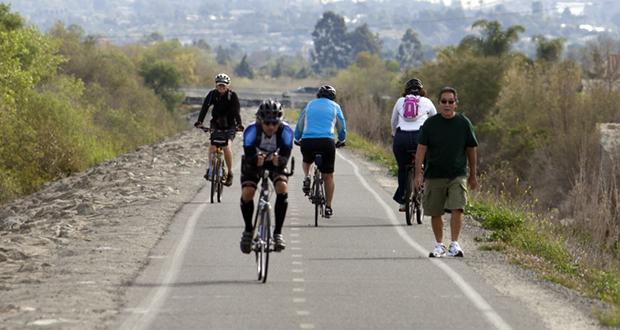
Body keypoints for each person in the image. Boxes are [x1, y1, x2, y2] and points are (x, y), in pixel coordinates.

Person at [415, 86, 478, 258]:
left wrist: (473, 174)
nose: (447, 105)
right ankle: (439, 244)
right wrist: (418, 174)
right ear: (439, 103)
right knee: (436, 211)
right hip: (434, 174)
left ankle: (455, 244)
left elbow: (471, 149)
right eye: (444, 101)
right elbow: (421, 149)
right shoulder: (430, 124)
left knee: (458, 207)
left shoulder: (464, 123)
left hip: (457, 174)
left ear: (456, 104)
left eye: (451, 101)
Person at [239, 99, 294, 254]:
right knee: (247, 193)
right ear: (260, 121)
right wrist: (256, 159)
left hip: (276, 163)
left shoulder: (286, 132)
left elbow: (286, 154)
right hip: (254, 162)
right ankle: (248, 230)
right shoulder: (251, 130)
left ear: (280, 122)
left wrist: (280, 160)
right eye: (267, 123)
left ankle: (277, 233)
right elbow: (248, 153)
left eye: (274, 123)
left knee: (282, 187)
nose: (271, 127)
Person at [294, 85, 346, 218]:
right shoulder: (335, 106)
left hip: (308, 141)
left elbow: (300, 123)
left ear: (318, 95)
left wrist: (297, 137)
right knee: (328, 176)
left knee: (307, 160)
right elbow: (341, 126)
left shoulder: (310, 105)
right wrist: (341, 139)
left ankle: (307, 177)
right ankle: (328, 207)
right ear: (333, 97)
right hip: (326, 142)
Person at [390, 78, 437, 211]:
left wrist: (394, 134)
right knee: (428, 163)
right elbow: (434, 120)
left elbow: (393, 121)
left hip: (401, 138)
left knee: (403, 169)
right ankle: (423, 187)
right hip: (420, 137)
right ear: (422, 91)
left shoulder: (400, 101)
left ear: (405, 91)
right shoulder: (427, 101)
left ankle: (403, 200)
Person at [194, 73, 243, 186]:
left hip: (230, 125)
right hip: (216, 124)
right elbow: (205, 108)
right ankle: (211, 169)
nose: (221, 87)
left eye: (223, 85)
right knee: (212, 147)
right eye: (219, 85)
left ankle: (230, 173)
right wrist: (200, 121)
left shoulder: (232, 96)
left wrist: (239, 124)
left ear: (227, 85)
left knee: (226, 147)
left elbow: (236, 112)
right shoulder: (212, 94)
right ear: (216, 85)